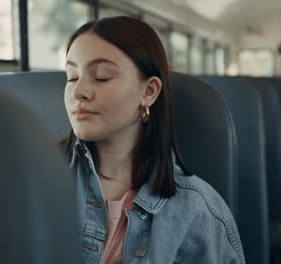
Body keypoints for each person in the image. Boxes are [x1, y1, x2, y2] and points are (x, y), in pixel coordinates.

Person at [60, 16, 245, 263]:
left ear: (148, 92)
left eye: (102, 77)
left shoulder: (197, 209)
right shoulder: (33, 182)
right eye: (72, 77)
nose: (78, 91)